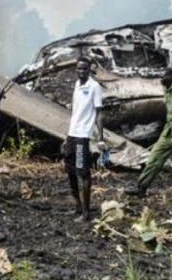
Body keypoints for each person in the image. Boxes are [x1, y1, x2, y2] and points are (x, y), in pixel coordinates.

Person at [125, 68, 172, 198]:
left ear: (171, 77)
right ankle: (141, 188)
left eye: (164, 77)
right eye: (160, 77)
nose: (161, 79)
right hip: (168, 132)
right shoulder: (166, 90)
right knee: (154, 158)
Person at [62, 56, 104, 222]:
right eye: (79, 69)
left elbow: (99, 113)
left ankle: (86, 213)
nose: (81, 72)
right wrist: (67, 137)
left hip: (83, 136)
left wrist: (100, 138)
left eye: (84, 69)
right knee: (70, 170)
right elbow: (75, 114)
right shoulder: (77, 85)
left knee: (83, 173)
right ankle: (77, 205)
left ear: (89, 69)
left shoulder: (94, 87)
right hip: (73, 134)